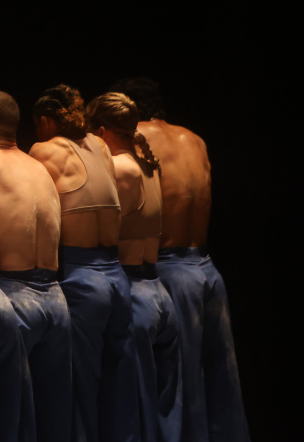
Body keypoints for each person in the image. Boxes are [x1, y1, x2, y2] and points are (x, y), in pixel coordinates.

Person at [111, 77, 249, 441]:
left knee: (178, 386)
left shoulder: (136, 140)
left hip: (170, 271)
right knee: (221, 381)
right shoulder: (195, 139)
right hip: (207, 269)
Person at [29, 84, 139, 442]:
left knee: (79, 386)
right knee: (121, 384)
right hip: (118, 275)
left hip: (81, 275)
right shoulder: (101, 145)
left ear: (45, 121)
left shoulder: (43, 150)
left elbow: (39, 213)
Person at [0, 90, 72, 442]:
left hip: (12, 296)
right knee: (53, 420)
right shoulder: (41, 169)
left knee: (7, 420)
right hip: (56, 299)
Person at [87, 92, 181, 442]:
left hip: (133, 297)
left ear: (100, 131)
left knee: (129, 415)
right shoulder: (148, 164)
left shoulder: (121, 168)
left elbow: (104, 233)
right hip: (158, 292)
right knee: (162, 415)